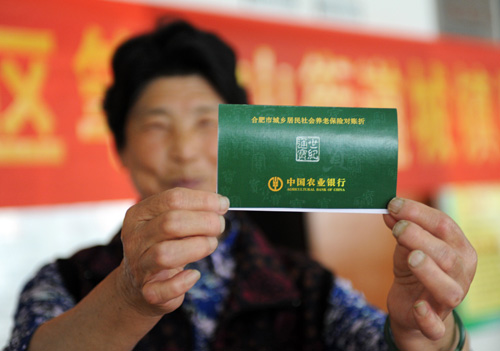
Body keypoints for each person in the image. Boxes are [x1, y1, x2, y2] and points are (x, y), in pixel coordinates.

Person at [4, 19, 477, 351]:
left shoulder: (305, 285)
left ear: (240, 139)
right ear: (121, 148)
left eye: (206, 122)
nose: (185, 150)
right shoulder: (65, 282)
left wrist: (429, 334)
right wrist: (128, 295)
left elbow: (381, 341)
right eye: (156, 125)